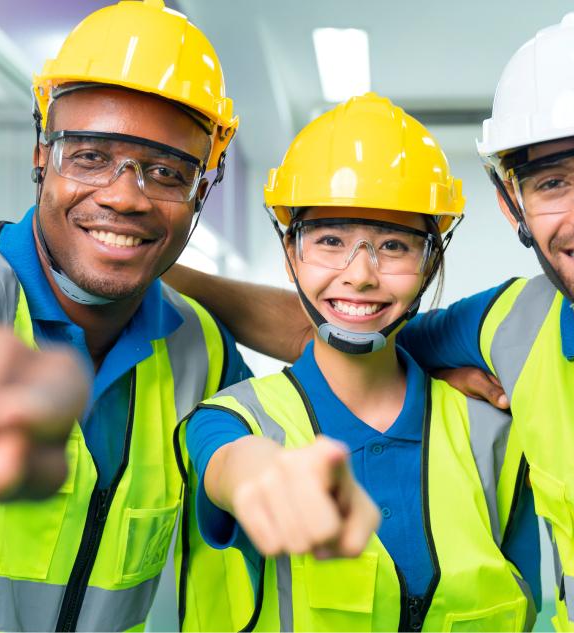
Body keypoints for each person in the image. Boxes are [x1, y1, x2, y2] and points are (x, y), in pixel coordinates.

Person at [166, 14, 574, 633]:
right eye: (553, 181)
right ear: (512, 204)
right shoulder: (512, 326)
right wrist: (157, 268)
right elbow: (340, 336)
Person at [0, 1, 252, 630]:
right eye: (89, 157)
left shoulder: (204, 353)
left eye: (166, 172)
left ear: (202, 193)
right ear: (41, 155)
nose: (123, 195)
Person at [178, 92, 540, 632]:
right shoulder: (232, 420)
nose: (360, 274)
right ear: (290, 254)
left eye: (394, 246)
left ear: (430, 260)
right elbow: (232, 466)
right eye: (329, 240)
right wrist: (261, 474)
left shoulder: (492, 432)